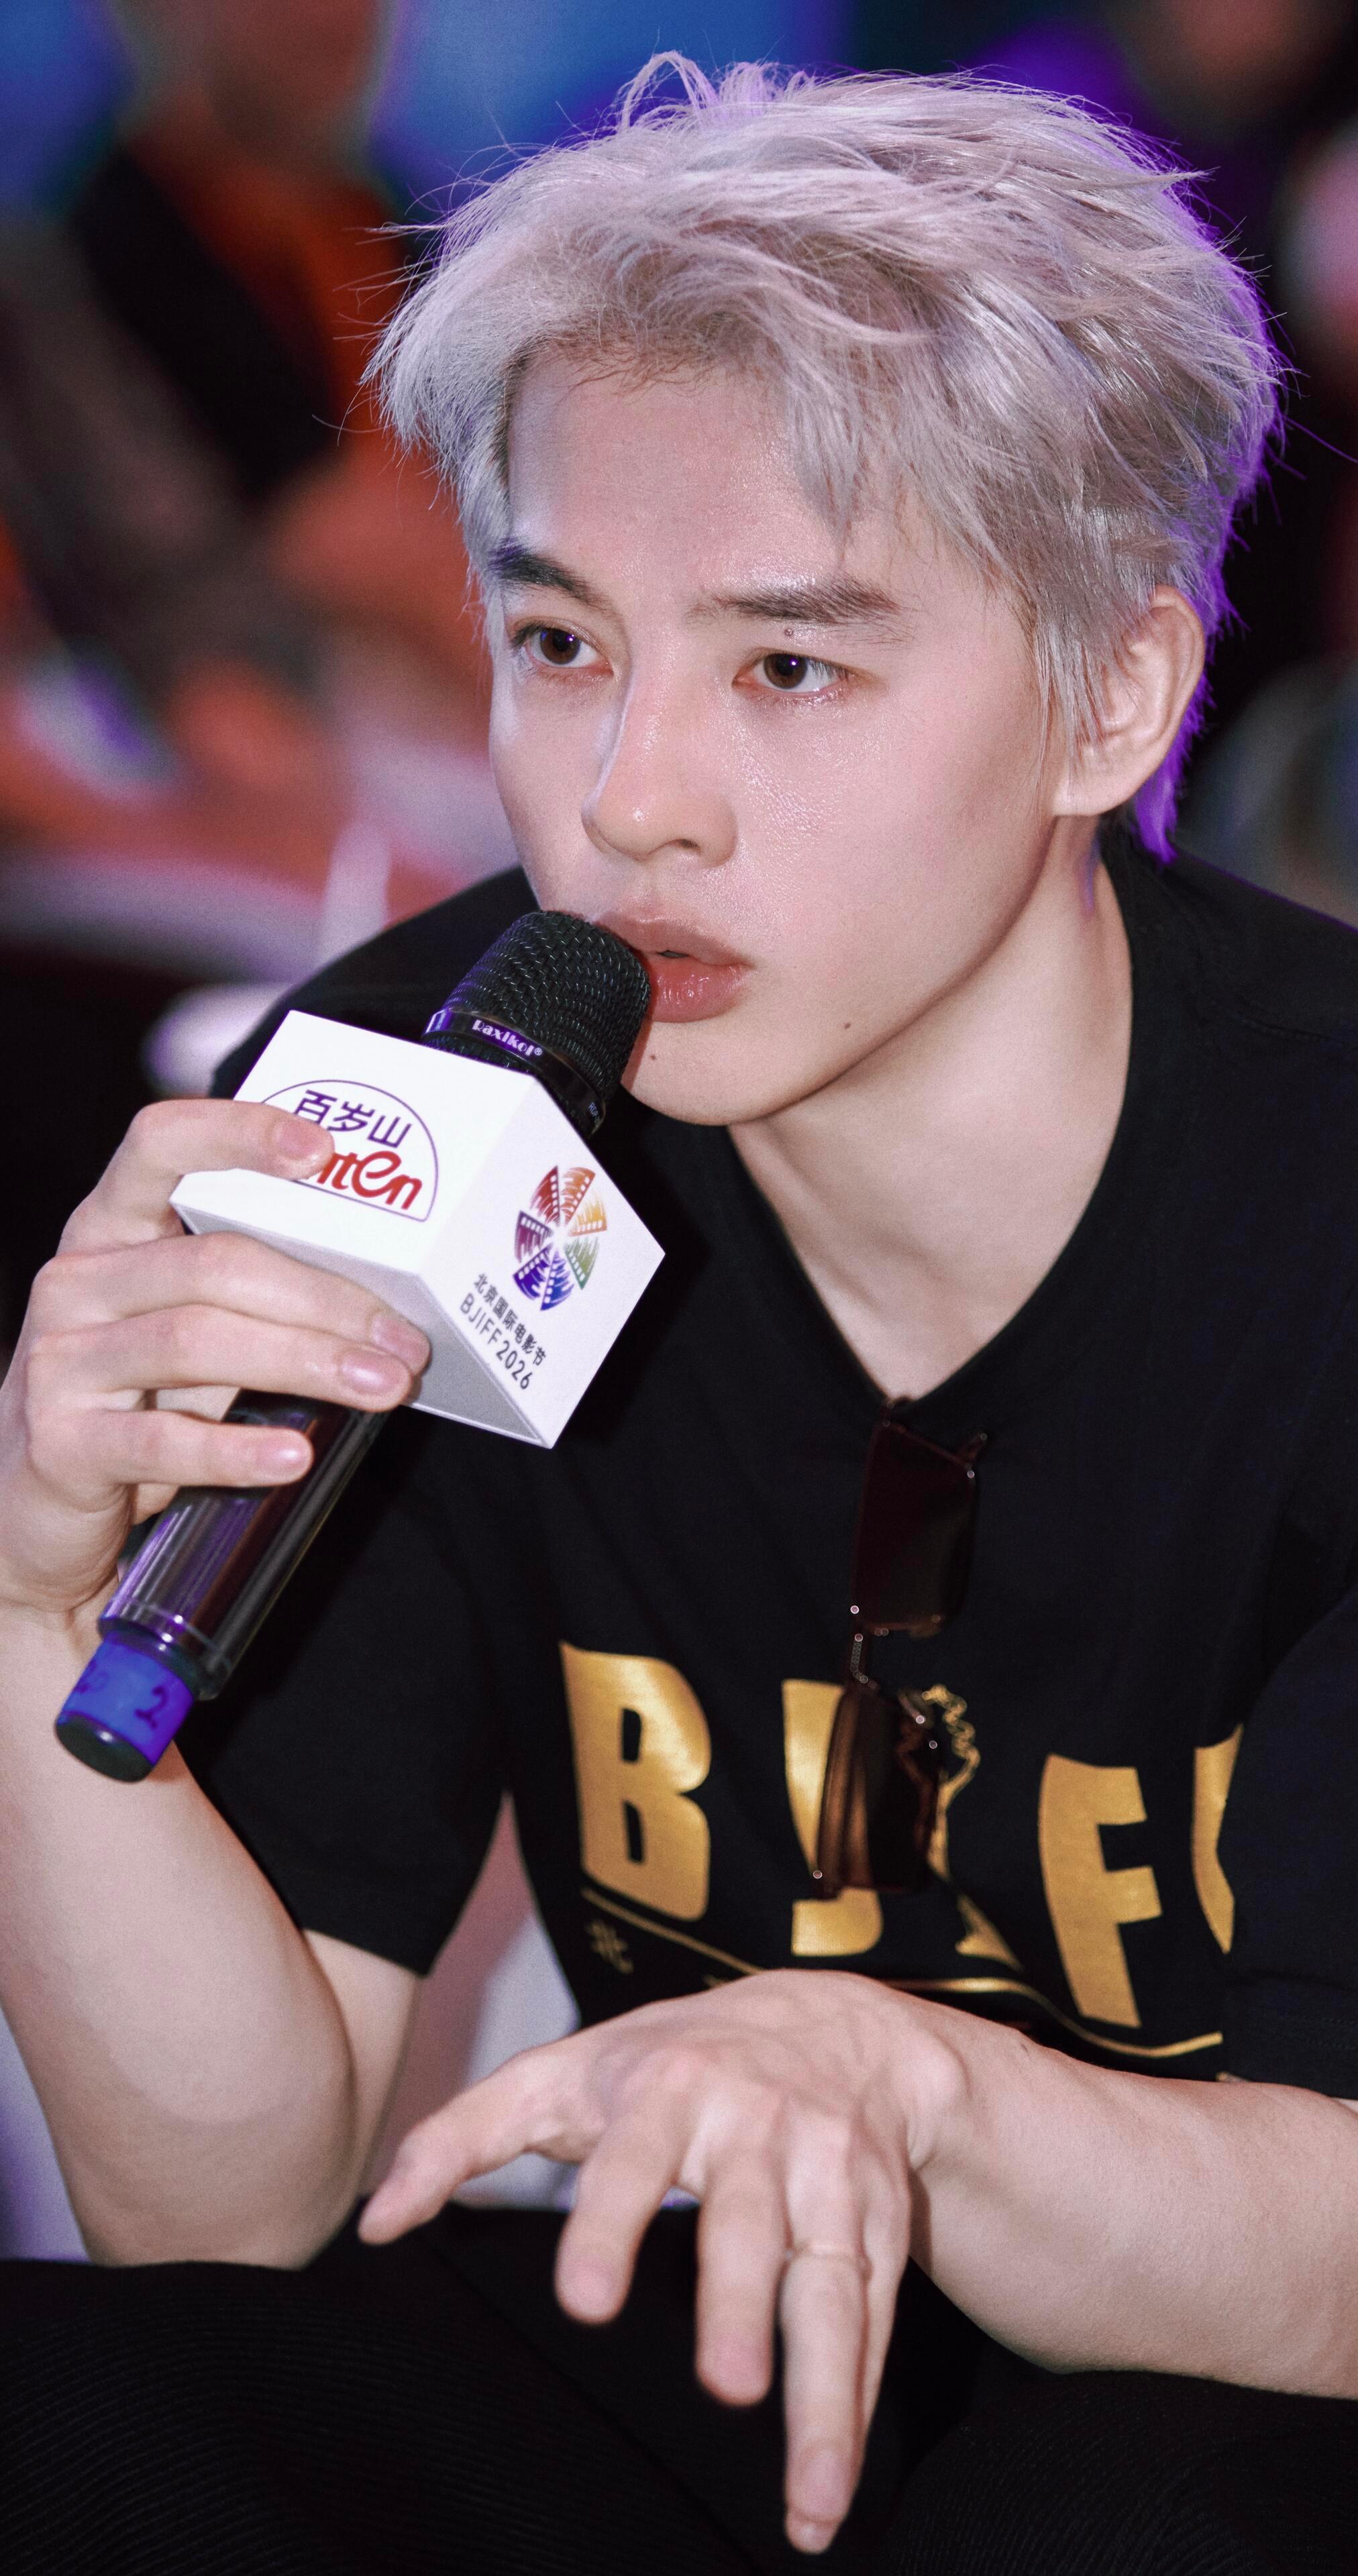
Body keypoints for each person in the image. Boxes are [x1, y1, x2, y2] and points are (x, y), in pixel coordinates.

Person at [1, 58, 1357, 2576]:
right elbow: (220, 2214)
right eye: (558, 640)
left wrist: (897, 2085)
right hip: (697, 2344)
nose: (629, 798)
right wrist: (26, 1611)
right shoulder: (435, 1113)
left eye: (790, 668)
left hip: (1233, 2360)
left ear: (1114, 695)